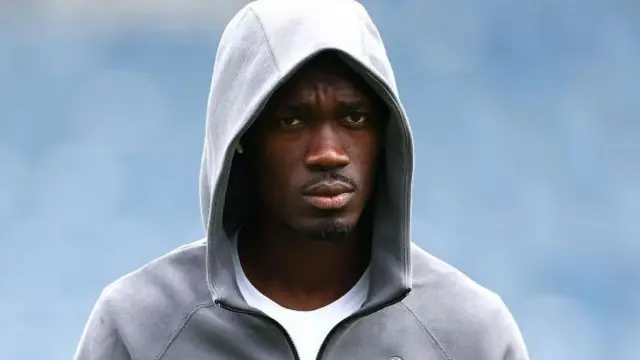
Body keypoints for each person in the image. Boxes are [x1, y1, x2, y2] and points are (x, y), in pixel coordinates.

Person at [74, 0, 530, 359]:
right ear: (242, 140)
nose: (328, 152)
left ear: (385, 138)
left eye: (354, 118)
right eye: (292, 122)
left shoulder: (471, 336)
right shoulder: (139, 326)